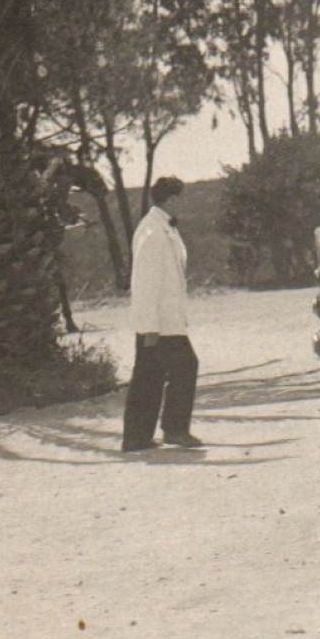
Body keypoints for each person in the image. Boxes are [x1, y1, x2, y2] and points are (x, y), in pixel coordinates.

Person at [122, 176, 201, 452]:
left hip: (165, 321)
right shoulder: (153, 232)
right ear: (171, 199)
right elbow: (144, 282)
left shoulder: (162, 227)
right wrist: (150, 327)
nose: (187, 202)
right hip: (160, 324)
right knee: (185, 366)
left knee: (149, 374)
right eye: (183, 197)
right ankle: (174, 429)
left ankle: (136, 437)